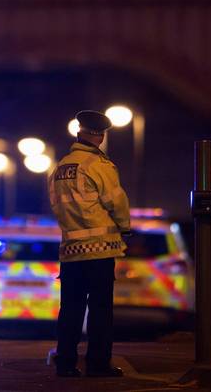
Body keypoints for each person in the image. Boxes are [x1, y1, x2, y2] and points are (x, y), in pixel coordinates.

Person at [48, 110, 132, 378]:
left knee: (70, 309)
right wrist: (125, 227)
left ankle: (65, 363)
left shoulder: (60, 167)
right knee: (100, 311)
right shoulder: (99, 165)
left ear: (78, 132)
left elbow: (57, 205)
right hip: (99, 250)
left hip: (70, 251)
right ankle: (97, 364)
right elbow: (115, 201)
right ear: (100, 136)